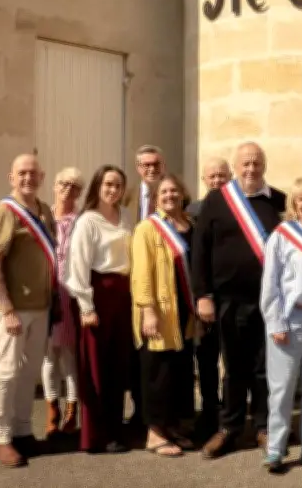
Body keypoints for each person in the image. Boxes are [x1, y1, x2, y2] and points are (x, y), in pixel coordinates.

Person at [193, 142, 286, 459]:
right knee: (232, 368)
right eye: (245, 164)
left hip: (268, 299)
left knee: (263, 367)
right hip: (227, 299)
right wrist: (203, 295)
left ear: (264, 166)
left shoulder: (277, 200)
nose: (251, 169)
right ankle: (229, 428)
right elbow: (200, 251)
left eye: (256, 164)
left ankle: (263, 426)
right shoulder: (217, 200)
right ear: (236, 166)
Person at [0, 153, 56, 467]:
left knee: (30, 372)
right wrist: (6, 308)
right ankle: (2, 438)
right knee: (8, 372)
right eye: (21, 173)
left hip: (40, 306)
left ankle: (24, 431)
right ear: (11, 177)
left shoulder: (45, 211)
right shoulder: (4, 213)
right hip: (14, 309)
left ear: (41, 177)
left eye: (33, 173)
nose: (28, 178)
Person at [260, 176, 302, 474]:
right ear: (293, 204)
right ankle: (276, 447)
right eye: (301, 199)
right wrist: (275, 320)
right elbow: (271, 283)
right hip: (291, 317)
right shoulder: (283, 235)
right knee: (282, 387)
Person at [65, 165, 133, 454]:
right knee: (95, 368)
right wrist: (86, 306)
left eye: (118, 185)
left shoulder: (126, 217)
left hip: (123, 296)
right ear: (97, 187)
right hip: (98, 295)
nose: (113, 190)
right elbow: (78, 265)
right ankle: (94, 436)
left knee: (118, 366)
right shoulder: (88, 221)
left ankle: (115, 431)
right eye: (107, 184)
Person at [132, 173, 198, 456]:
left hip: (185, 312)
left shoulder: (190, 225)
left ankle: (171, 427)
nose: (170, 196)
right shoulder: (147, 228)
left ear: (183, 194)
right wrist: (147, 310)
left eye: (174, 191)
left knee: (179, 371)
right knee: (156, 372)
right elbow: (141, 273)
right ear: (156, 198)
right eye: (164, 192)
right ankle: (154, 433)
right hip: (160, 310)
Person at [185, 156, 231, 439]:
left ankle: (229, 414)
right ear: (204, 180)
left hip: (232, 297)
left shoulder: (241, 209)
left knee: (232, 359)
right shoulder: (192, 211)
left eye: (222, 176)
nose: (216, 181)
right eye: (211, 176)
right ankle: (209, 412)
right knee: (206, 358)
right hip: (203, 297)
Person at [125, 144, 166, 432]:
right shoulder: (124, 198)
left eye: (156, 164)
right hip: (128, 282)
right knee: (133, 354)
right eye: (146, 165)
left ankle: (157, 416)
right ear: (138, 168)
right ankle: (138, 412)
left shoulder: (173, 195)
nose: (151, 169)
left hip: (162, 285)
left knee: (158, 353)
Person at [42, 167, 84, 438]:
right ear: (54, 187)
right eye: (62, 183)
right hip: (46, 292)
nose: (66, 189)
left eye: (73, 185)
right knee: (48, 356)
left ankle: (71, 411)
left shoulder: (82, 220)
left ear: (79, 192)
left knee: (69, 355)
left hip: (70, 292)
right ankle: (51, 411)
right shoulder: (42, 218)